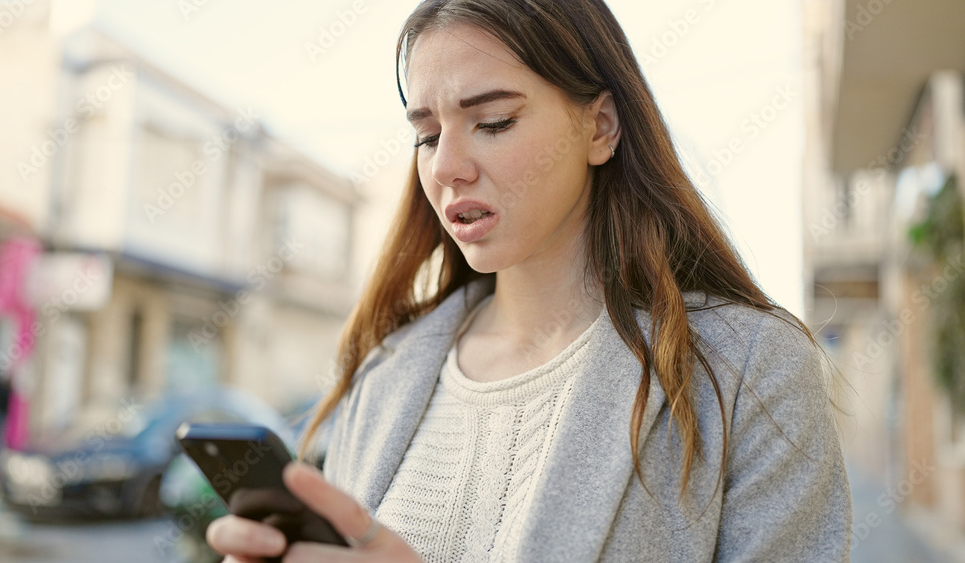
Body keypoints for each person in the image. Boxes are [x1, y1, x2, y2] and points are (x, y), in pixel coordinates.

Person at [206, 0, 853, 561]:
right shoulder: (383, 373)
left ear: (600, 126)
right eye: (427, 135)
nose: (447, 167)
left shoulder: (749, 370)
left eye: (493, 122)